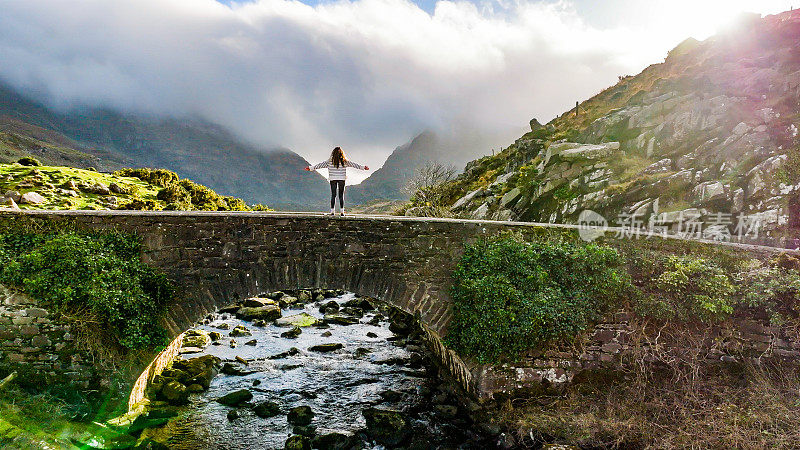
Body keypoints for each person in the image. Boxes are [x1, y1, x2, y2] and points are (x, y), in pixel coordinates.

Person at [305, 147, 369, 215]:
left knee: (333, 195)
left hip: (333, 178)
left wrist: (311, 168)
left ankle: (332, 211)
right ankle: (342, 212)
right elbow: (354, 165)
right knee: (341, 195)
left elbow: (320, 165)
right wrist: (363, 167)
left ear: (333, 153)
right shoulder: (344, 161)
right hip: (342, 179)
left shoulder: (329, 161)